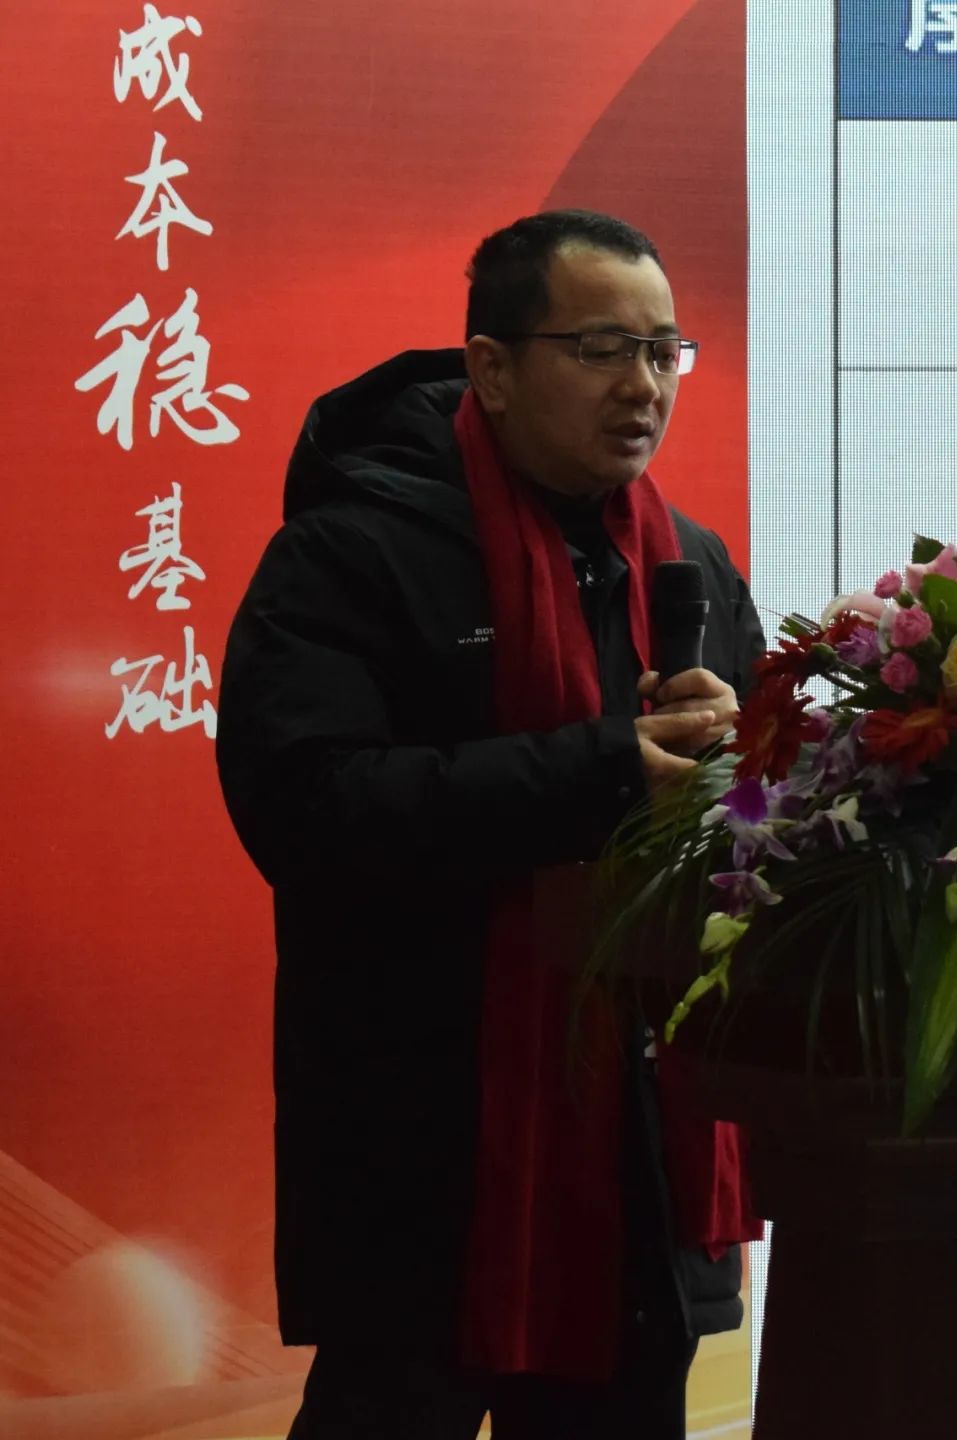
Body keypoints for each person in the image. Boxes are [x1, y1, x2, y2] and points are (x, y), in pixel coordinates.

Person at [216, 209, 764, 1440]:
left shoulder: (689, 560)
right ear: (493, 369)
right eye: (601, 349)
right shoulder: (353, 550)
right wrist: (602, 769)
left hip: (634, 1135)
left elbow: (754, 819)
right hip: (430, 1134)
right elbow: (304, 806)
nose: (643, 387)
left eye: (663, 352)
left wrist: (743, 764)